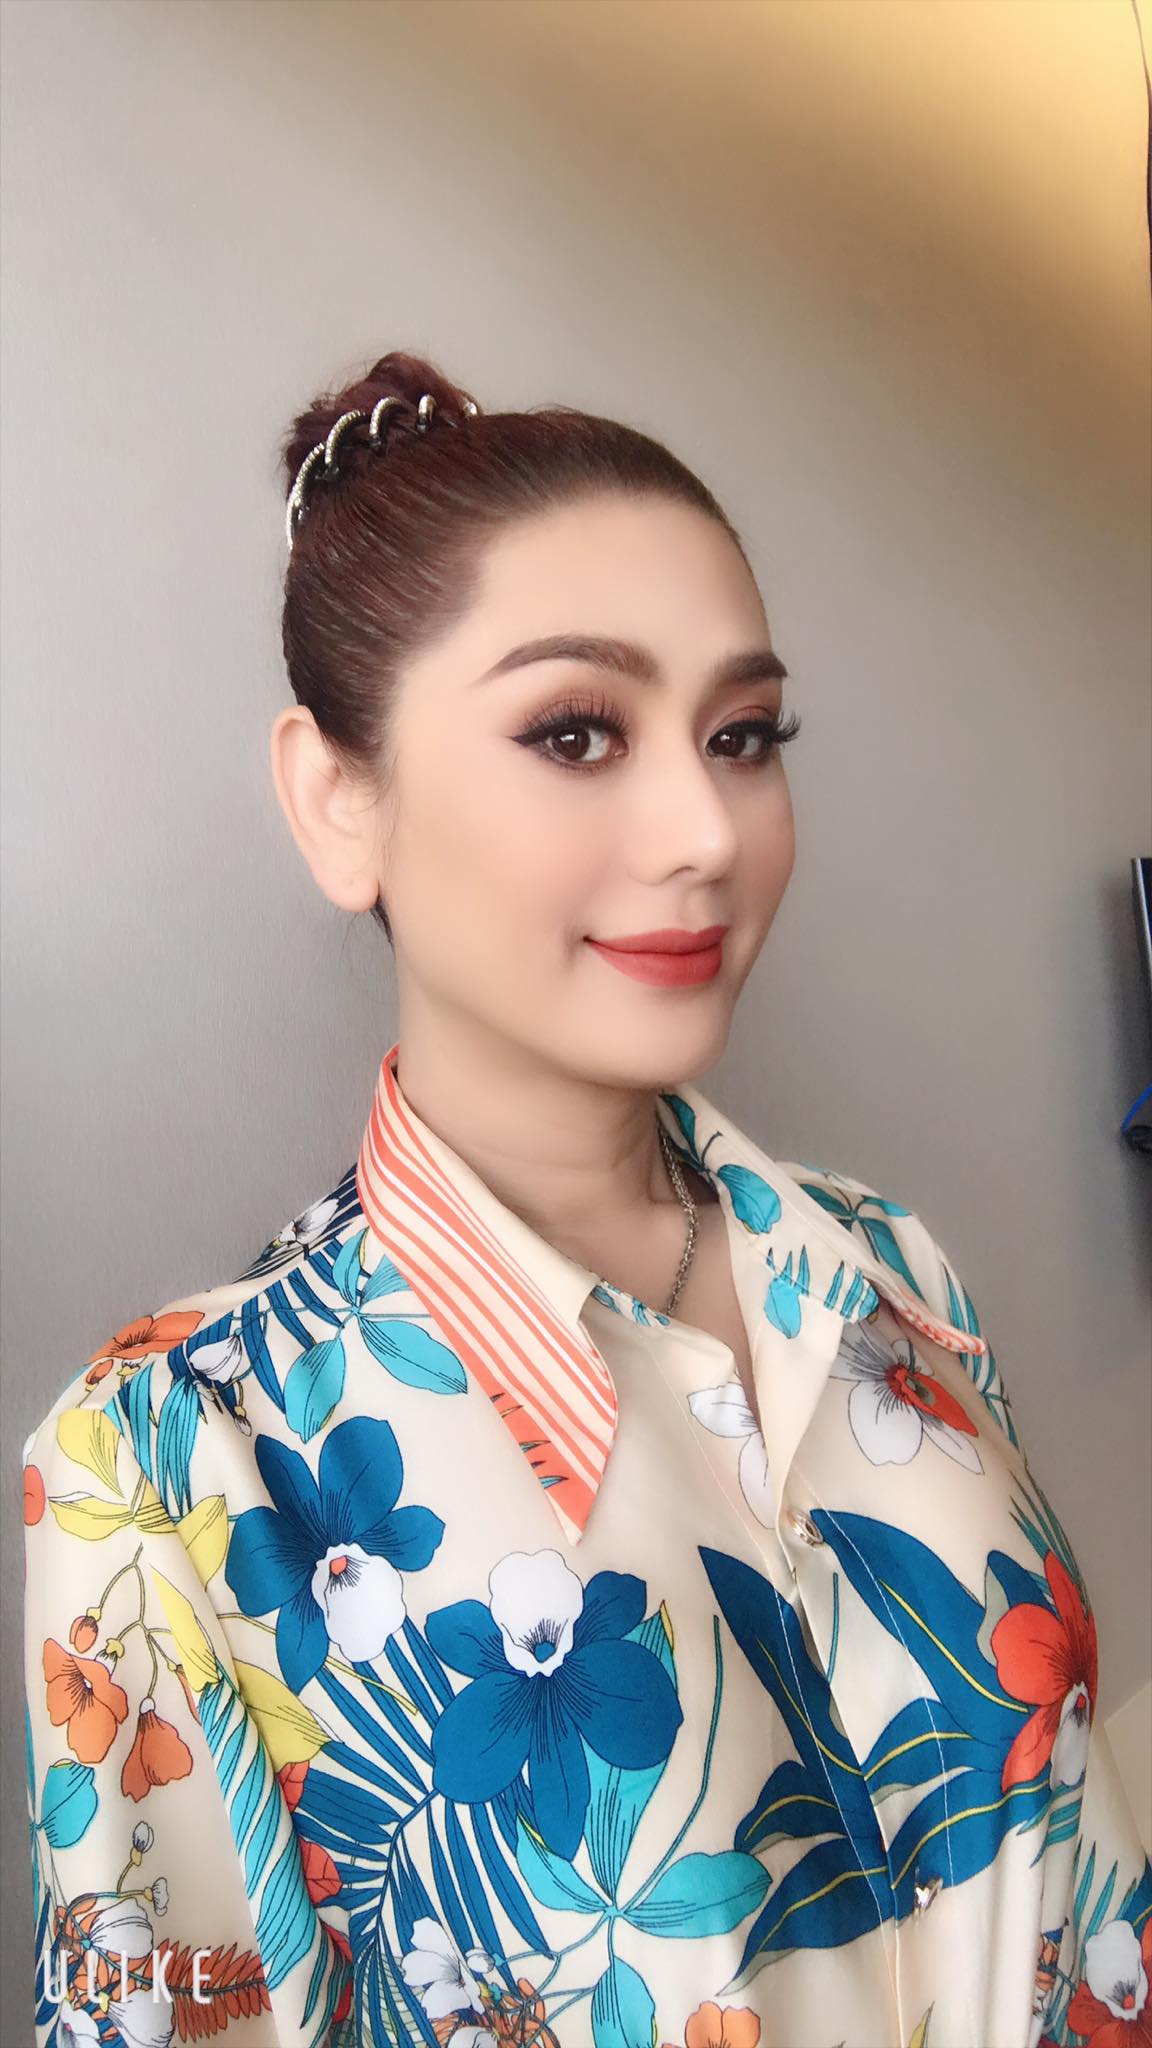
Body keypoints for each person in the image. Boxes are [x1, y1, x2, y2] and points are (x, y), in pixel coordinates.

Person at [22, 350, 1149, 2048]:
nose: (706, 829)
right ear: (339, 799)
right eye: (575, 732)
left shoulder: (880, 1264)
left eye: (744, 736)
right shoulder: (174, 1462)